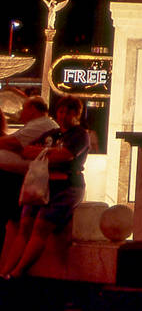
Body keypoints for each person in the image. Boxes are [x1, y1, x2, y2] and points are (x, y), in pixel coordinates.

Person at [0, 96, 89, 279]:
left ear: (76, 114)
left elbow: (65, 155)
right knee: (25, 225)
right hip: (43, 185)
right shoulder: (54, 134)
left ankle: (17, 272)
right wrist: (48, 153)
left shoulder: (80, 134)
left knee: (41, 226)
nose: (64, 116)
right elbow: (26, 151)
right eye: (62, 111)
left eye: (69, 112)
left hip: (66, 186)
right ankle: (5, 271)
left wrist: (43, 153)